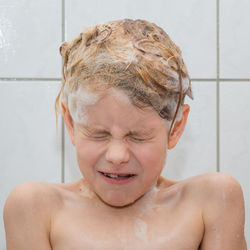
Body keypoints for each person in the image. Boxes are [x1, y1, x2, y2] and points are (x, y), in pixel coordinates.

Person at [4, 18, 247, 250]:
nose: (117, 156)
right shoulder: (36, 209)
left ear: (175, 128)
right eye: (98, 134)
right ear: (71, 124)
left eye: (137, 136)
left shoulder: (211, 202)